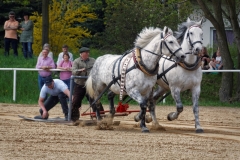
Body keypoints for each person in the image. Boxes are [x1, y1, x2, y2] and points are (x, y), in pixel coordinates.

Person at [71, 47, 104, 121]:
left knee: (95, 100)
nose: (88, 54)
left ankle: (101, 116)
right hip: (80, 84)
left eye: (88, 52)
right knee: (76, 101)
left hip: (90, 85)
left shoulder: (93, 60)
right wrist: (80, 70)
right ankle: (74, 118)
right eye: (86, 52)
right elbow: (73, 71)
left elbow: (98, 69)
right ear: (81, 54)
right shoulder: (76, 61)